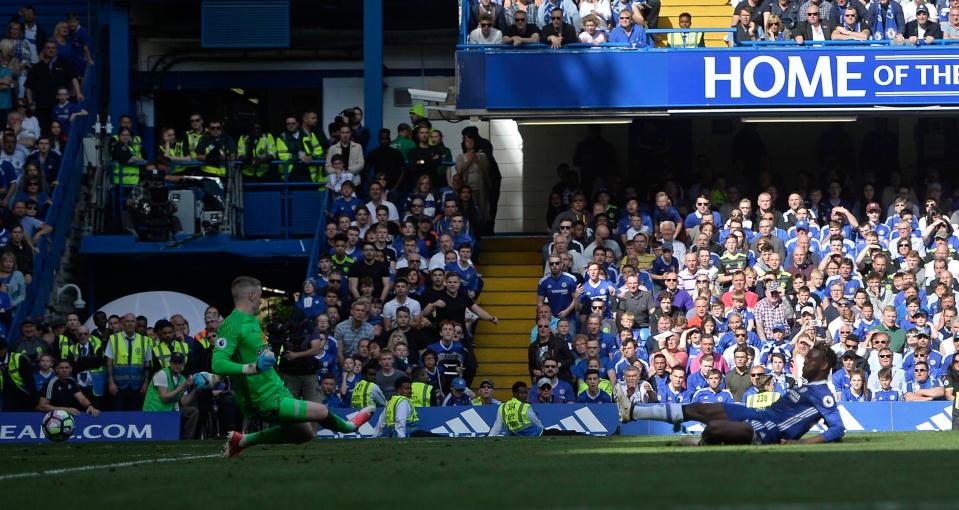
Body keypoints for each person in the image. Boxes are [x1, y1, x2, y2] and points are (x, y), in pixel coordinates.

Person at [192, 276, 374, 457]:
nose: (261, 300)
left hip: (276, 389)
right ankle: (350, 426)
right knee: (321, 411)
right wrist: (250, 368)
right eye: (260, 295)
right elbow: (219, 363)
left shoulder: (252, 321)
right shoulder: (231, 325)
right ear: (251, 295)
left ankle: (241, 441)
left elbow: (248, 356)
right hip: (261, 398)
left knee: (304, 434)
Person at [619, 342, 845, 445]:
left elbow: (837, 429)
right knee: (700, 409)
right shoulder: (805, 386)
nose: (805, 362)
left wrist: (803, 444)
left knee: (714, 427)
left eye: (811, 360)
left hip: (767, 431)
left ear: (824, 365)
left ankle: (701, 441)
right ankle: (634, 412)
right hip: (757, 413)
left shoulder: (822, 393)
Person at [488, 381, 583, 436]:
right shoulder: (524, 406)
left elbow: (497, 427)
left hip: (514, 435)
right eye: (522, 393)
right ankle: (580, 435)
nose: (525, 395)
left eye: (526, 392)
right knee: (557, 433)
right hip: (531, 434)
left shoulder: (502, 406)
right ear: (514, 393)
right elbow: (536, 421)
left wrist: (490, 438)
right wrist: (543, 431)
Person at [142, 352, 198, 439]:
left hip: (170, 411)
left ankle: (186, 441)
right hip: (154, 412)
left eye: (179, 362)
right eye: (175, 362)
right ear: (170, 363)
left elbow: (184, 402)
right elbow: (164, 398)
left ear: (183, 364)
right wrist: (181, 387)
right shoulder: (162, 374)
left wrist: (196, 389)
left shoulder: (182, 379)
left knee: (193, 411)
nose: (177, 365)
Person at [105, 313, 152, 411]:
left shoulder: (145, 340)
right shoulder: (114, 339)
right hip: (118, 386)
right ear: (122, 324)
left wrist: (146, 383)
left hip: (137, 386)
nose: (130, 324)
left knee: (135, 415)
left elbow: (147, 364)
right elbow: (109, 362)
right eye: (127, 321)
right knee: (118, 414)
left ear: (135, 324)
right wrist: (111, 382)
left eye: (132, 321)